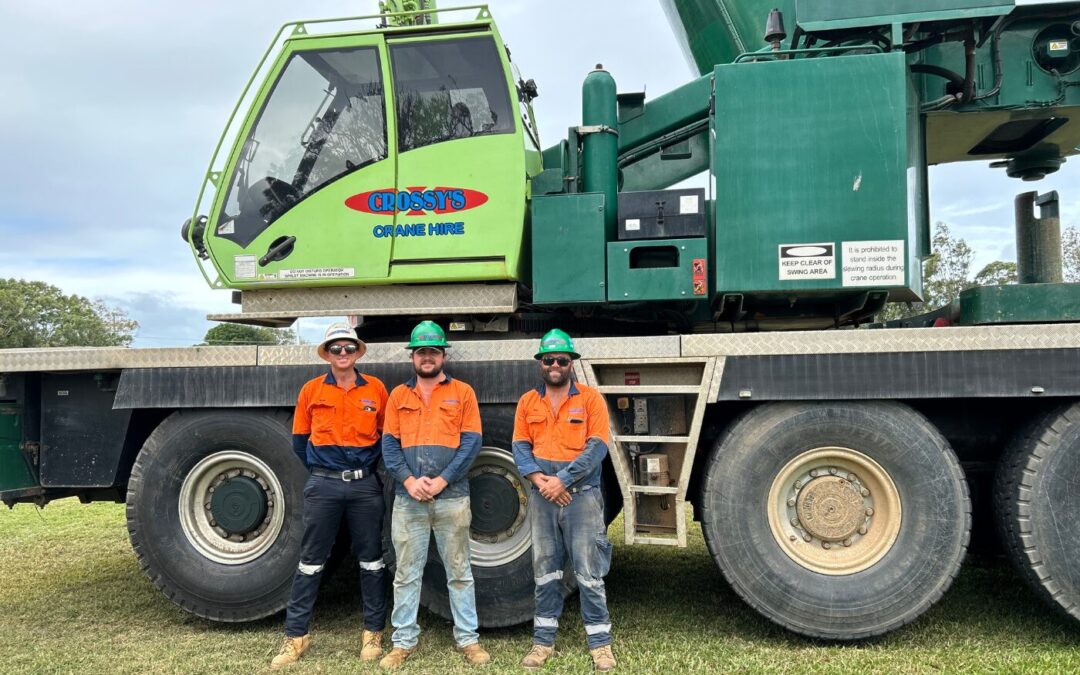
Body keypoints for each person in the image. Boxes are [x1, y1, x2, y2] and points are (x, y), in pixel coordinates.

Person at [271, 323, 389, 669]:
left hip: (365, 486)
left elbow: (385, 437)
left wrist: (363, 469)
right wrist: (325, 471)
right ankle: (296, 637)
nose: (342, 354)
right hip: (323, 485)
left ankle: (373, 632)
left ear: (357, 352)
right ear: (327, 353)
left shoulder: (376, 390)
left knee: (372, 560)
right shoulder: (311, 390)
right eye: (335, 348)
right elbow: (299, 442)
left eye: (348, 348)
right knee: (310, 562)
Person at [379, 321, 491, 669]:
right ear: (413, 356)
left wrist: (442, 479)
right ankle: (402, 642)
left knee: (459, 571)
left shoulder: (463, 393)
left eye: (433, 351)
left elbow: (472, 442)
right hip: (408, 498)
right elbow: (389, 444)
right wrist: (409, 480)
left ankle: (468, 639)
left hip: (452, 497)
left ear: (443, 355)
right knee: (406, 573)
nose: (427, 357)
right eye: (421, 352)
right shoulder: (399, 396)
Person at [512, 329, 616, 672]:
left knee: (589, 572)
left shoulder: (590, 399)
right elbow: (519, 446)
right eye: (549, 359)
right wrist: (540, 480)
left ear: (572, 363)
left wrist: (562, 480)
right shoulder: (528, 401)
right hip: (543, 497)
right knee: (545, 571)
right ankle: (542, 643)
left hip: (581, 497)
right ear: (540, 364)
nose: (555, 365)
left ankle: (600, 646)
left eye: (562, 359)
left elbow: (597, 447)